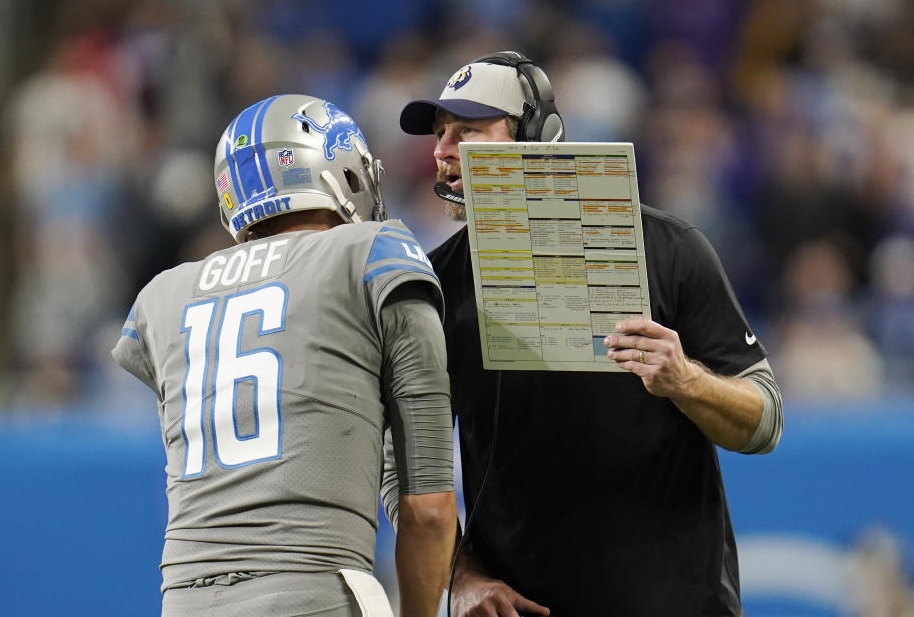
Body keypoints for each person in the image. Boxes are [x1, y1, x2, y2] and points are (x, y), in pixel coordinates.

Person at [390, 51, 784, 615]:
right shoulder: (438, 283)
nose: (441, 151)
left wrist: (686, 381)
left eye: (468, 130)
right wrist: (462, 574)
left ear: (536, 134)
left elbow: (764, 421)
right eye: (439, 133)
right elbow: (396, 461)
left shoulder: (669, 251)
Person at [112, 94, 457, 617]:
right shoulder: (372, 251)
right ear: (338, 170)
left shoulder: (162, 295)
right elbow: (428, 509)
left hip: (183, 600)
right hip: (312, 591)